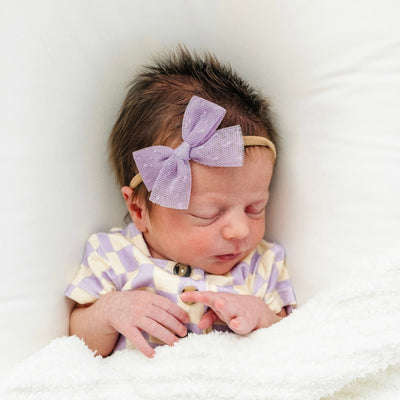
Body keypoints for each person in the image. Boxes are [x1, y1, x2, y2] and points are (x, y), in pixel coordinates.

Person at [66, 47, 296, 358]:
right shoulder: (113, 256)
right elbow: (80, 341)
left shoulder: (261, 265)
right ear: (139, 210)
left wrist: (261, 317)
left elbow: (292, 340)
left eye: (256, 208)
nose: (240, 230)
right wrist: (109, 311)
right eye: (207, 214)